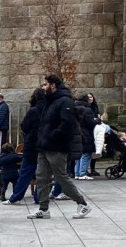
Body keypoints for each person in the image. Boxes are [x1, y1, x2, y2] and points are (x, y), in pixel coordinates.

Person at [28, 75, 91, 220]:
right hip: (44, 146)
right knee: (41, 177)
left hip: (57, 146)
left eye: (45, 84)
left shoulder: (64, 101)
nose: (43, 87)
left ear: (53, 85)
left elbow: (67, 124)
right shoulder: (50, 101)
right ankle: (43, 209)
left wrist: (51, 135)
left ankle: (82, 204)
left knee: (61, 177)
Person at [74, 95, 98, 180]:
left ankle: (77, 173)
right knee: (86, 154)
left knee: (78, 155)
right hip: (86, 134)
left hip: (77, 133)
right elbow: (90, 123)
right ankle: (82, 173)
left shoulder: (75, 107)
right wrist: (97, 121)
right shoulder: (87, 109)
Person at [85, 93, 101, 176]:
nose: (90, 98)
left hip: (96, 130)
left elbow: (98, 117)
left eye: (91, 97)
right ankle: (85, 169)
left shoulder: (95, 107)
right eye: (88, 97)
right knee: (87, 152)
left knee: (94, 151)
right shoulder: (85, 108)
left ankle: (93, 168)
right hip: (88, 131)